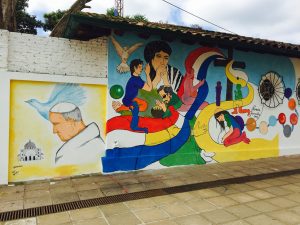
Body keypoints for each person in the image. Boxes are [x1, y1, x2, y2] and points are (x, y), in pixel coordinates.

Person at [114, 59, 152, 133]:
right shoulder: (135, 80)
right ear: (135, 68)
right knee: (136, 107)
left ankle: (134, 125)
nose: (141, 69)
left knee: (140, 105)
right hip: (129, 102)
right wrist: (147, 74)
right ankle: (135, 127)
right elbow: (149, 88)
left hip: (129, 100)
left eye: (142, 67)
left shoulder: (135, 79)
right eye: (140, 67)